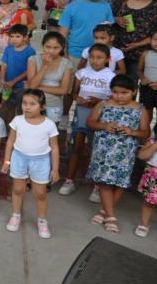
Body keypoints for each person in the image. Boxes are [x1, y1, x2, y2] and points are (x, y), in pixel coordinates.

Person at [86, 75, 149, 234]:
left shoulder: (140, 109)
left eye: (124, 93)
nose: (119, 96)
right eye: (115, 92)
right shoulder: (103, 104)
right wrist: (104, 125)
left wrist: (131, 131)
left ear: (133, 92)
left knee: (120, 182)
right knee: (104, 182)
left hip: (125, 153)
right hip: (103, 151)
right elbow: (90, 122)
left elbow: (145, 132)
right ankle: (111, 217)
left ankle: (104, 211)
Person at [59, 44, 117, 197]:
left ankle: (97, 186)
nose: (95, 60)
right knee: (76, 147)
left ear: (108, 59)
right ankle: (69, 181)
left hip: (100, 117)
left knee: (96, 150)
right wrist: (77, 98)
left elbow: (113, 98)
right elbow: (74, 93)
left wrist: (97, 102)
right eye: (92, 57)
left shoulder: (111, 76)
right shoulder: (82, 73)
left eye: (99, 58)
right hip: (81, 114)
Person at [1, 89, 60, 239]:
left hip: (41, 161)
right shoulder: (17, 121)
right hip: (19, 158)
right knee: (18, 189)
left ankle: (42, 220)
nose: (27, 107)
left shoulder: (49, 124)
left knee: (40, 193)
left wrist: (55, 169)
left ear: (42, 107)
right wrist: (7, 161)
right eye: (24, 103)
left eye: (32, 104)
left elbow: (54, 148)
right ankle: (15, 215)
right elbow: (10, 142)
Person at [59, 0, 115, 67]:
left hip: (101, 55)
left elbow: (109, 29)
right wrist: (65, 55)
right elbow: (62, 34)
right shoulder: (71, 8)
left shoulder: (106, 5)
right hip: (76, 55)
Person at [112, 0, 157, 81]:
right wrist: (116, 19)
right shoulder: (123, 0)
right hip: (116, 50)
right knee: (111, 81)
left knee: (130, 84)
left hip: (138, 54)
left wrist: (136, 44)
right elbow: (107, 16)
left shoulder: (156, 7)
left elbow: (155, 34)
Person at [26, 32, 74, 125]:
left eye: (56, 48)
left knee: (50, 136)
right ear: (42, 46)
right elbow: (32, 86)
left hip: (54, 106)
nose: (51, 51)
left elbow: (63, 90)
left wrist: (38, 87)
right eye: (48, 47)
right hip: (33, 104)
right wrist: (45, 65)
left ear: (62, 47)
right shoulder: (33, 59)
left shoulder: (66, 64)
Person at [0, 25, 36, 117]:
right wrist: (2, 79)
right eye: (11, 36)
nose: (14, 39)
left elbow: (29, 70)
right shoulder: (8, 49)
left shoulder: (30, 51)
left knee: (21, 110)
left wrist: (14, 81)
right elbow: (4, 65)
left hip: (22, 87)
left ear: (25, 37)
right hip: (7, 86)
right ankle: (9, 129)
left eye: (18, 36)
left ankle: (20, 130)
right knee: (8, 108)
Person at [136, 140, 157, 237]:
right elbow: (141, 156)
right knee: (149, 202)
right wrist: (155, 146)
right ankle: (144, 224)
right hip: (154, 176)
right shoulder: (152, 143)